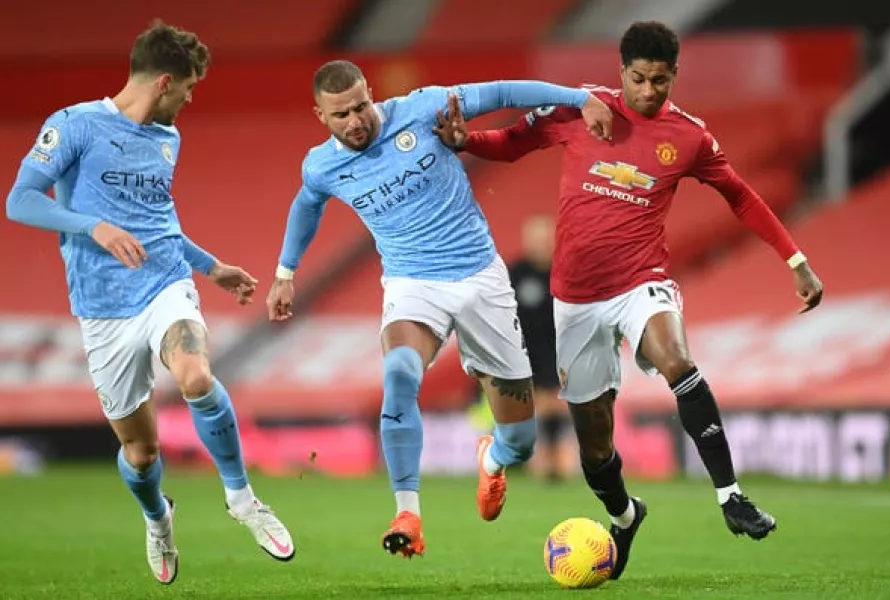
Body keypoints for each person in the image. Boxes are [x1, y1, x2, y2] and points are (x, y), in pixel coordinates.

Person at [433, 20, 824, 579]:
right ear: (622, 72)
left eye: (659, 81)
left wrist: (796, 260)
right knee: (594, 447)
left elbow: (739, 194)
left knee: (678, 361)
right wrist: (467, 140)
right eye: (638, 78)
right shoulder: (583, 111)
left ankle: (731, 495)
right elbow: (513, 143)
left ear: (674, 77)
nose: (647, 91)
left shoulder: (689, 137)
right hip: (575, 300)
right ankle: (624, 514)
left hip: (641, 282)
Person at [264, 60, 613, 559]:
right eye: (341, 114)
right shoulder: (321, 165)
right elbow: (307, 203)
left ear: (371, 95)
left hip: (481, 280)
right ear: (320, 115)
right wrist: (284, 272)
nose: (356, 120)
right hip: (412, 284)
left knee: (520, 439)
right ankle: (408, 512)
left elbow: (504, 88)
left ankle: (492, 460)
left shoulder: (423, 107)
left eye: (362, 106)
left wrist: (579, 98)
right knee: (400, 372)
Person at [4, 21, 295, 585]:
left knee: (195, 375)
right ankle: (157, 516)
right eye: (188, 87)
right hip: (102, 305)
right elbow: (19, 200)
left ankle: (242, 499)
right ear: (165, 81)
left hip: (163, 285)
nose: (189, 99)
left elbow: (158, 223)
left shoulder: (168, 139)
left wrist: (211, 267)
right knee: (140, 454)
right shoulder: (75, 125)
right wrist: (94, 227)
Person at [508, 214, 574, 482]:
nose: (539, 244)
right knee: (531, 405)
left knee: (553, 404)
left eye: (543, 239)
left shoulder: (564, 272)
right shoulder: (516, 273)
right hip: (523, 351)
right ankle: (531, 458)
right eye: (534, 239)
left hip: (557, 350)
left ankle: (554, 459)